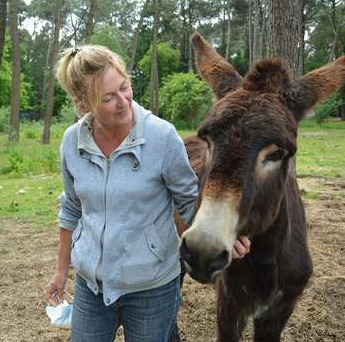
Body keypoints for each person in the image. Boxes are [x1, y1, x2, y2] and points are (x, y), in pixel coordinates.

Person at [44, 45, 250, 342]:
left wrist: (224, 234)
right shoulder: (72, 142)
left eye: (124, 87)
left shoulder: (162, 137)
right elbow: (72, 209)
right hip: (92, 286)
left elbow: (189, 202)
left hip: (152, 287)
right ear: (83, 105)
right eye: (108, 97)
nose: (123, 101)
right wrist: (61, 271)